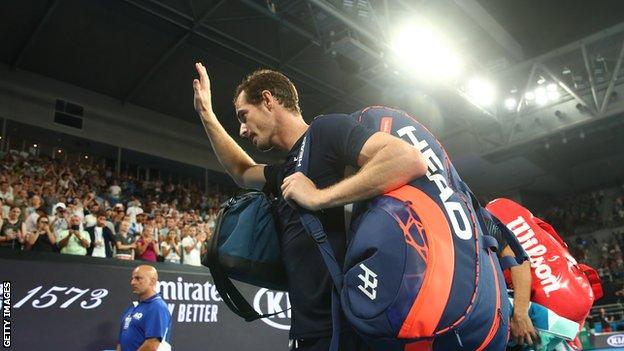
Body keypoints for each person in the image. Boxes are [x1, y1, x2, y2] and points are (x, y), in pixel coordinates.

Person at [192, 63, 426, 350]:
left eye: (244, 116)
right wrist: (205, 112)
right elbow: (242, 171)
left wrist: (319, 197)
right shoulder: (286, 171)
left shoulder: (327, 130)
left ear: (267, 100)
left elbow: (407, 159)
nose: (242, 130)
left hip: (346, 327)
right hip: (309, 331)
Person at [117, 265, 172, 351]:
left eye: (138, 278)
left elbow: (151, 345)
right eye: (133, 278)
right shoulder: (132, 307)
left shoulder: (157, 307)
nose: (133, 282)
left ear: (152, 281)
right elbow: (121, 342)